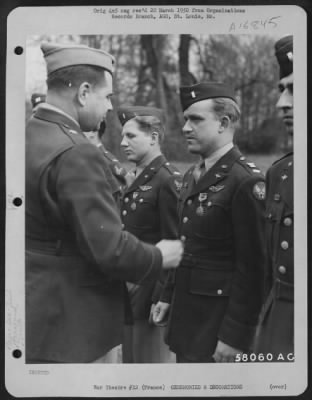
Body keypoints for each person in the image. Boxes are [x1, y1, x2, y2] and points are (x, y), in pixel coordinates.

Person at [25, 42, 183, 364]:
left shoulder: (28, 134)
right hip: (74, 322)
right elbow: (109, 248)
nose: (110, 108)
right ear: (84, 92)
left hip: (38, 309)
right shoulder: (77, 151)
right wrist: (159, 256)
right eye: (107, 96)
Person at [152, 82, 266, 363]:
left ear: (223, 123)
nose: (186, 128)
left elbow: (255, 269)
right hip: (187, 319)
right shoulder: (193, 174)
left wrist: (235, 336)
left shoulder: (245, 181)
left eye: (196, 119)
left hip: (217, 330)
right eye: (185, 119)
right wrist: (167, 295)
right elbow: (185, 243)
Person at [118, 106, 181, 363]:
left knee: (150, 368)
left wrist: (162, 296)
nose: (123, 143)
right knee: (130, 364)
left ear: (153, 138)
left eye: (131, 136)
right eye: (123, 136)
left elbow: (176, 245)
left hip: (150, 296)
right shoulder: (134, 177)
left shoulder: (167, 180)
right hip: (128, 290)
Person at [254, 36, 294, 361]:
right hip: (277, 324)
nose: (282, 102)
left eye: (295, 88)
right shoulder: (280, 172)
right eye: (282, 89)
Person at [84, 120, 127, 206]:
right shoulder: (94, 157)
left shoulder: (105, 161)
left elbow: (116, 199)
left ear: (92, 132)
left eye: (81, 129)